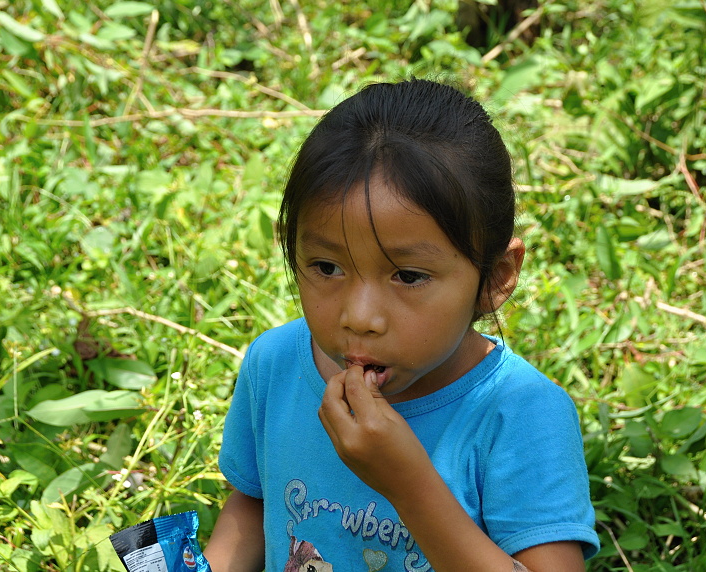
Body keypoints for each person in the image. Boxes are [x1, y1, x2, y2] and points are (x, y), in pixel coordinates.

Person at [203, 79, 599, 572]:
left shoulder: (520, 415)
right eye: (326, 267)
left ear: (496, 278)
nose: (359, 317)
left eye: (408, 276)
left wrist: (409, 485)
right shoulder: (276, 365)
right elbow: (255, 503)